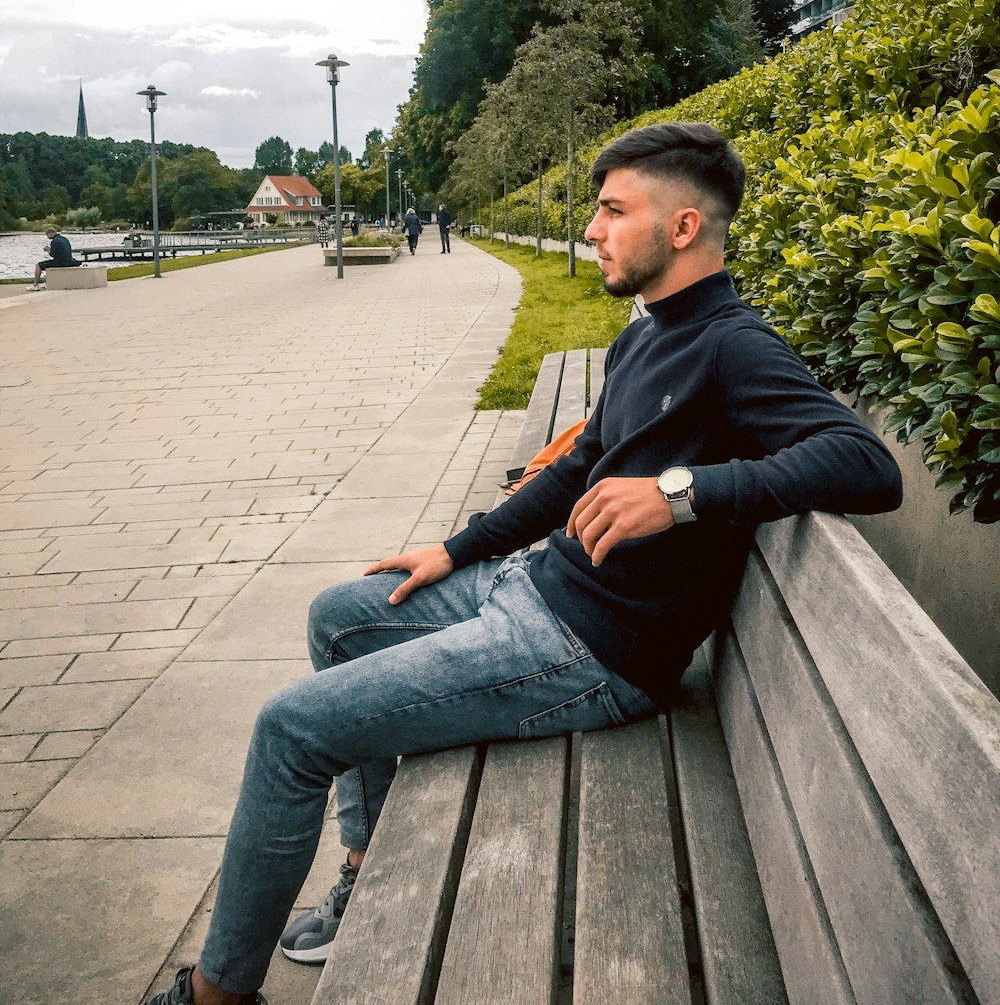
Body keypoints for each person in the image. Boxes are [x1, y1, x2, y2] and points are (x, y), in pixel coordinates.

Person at [142, 122, 902, 1005]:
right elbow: (580, 467)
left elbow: (868, 465)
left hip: (591, 652)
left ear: (684, 227)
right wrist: (456, 549)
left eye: (614, 212)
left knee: (291, 730)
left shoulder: (734, 347)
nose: (591, 229)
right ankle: (365, 859)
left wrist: (682, 491)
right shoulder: (645, 334)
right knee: (340, 614)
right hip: (534, 588)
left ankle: (216, 997)